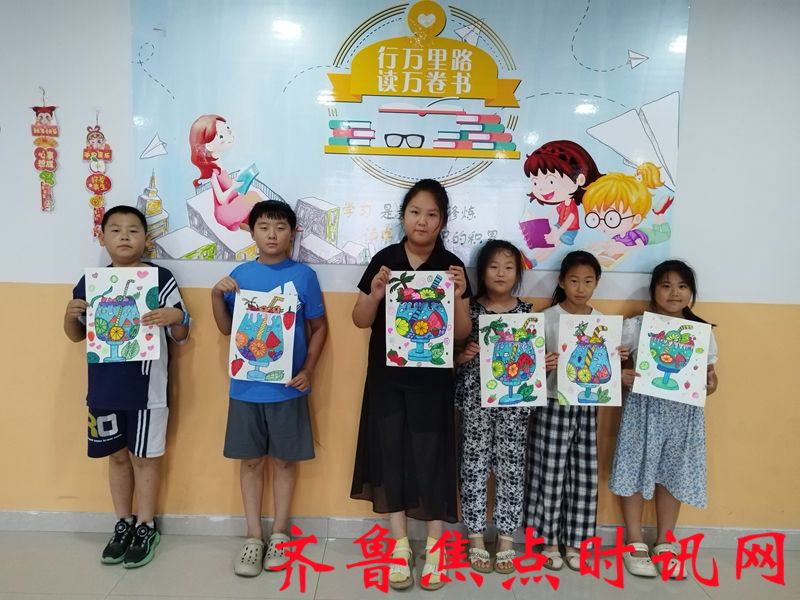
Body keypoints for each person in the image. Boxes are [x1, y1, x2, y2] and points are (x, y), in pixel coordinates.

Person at [350, 179, 471, 591]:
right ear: (403, 216)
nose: (422, 221)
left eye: (432, 214)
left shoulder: (451, 266)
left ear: (443, 221)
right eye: (415, 212)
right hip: (387, 378)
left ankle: (435, 547)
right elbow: (360, 319)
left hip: (433, 381)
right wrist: (375, 294)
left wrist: (459, 294)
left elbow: (461, 333)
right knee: (391, 454)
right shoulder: (385, 260)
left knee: (433, 458)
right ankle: (399, 545)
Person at [63, 205, 190, 568]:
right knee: (117, 456)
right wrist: (69, 315)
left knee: (144, 458)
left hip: (147, 391)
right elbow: (76, 335)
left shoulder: (160, 278)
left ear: (146, 239)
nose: (124, 236)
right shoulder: (91, 283)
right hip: (104, 389)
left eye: (133, 230)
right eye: (115, 230)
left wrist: (176, 316)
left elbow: (182, 333)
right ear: (102, 238)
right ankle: (123, 521)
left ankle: (146, 524)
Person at [211, 200, 328, 577]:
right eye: (264, 227)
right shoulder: (240, 275)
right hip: (245, 389)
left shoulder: (304, 276)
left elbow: (320, 328)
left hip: (287, 389)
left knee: (284, 461)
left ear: (292, 232)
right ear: (252, 232)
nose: (272, 235)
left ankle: (279, 532)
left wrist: (308, 369)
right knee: (249, 461)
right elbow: (227, 329)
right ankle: (252, 536)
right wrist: (216, 296)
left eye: (280, 227)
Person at [609, 260, 718, 579]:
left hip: (683, 415)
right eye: (666, 285)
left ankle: (666, 541)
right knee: (633, 468)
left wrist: (710, 382)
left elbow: (711, 382)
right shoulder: (636, 326)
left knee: (673, 474)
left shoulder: (702, 332)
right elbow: (613, 370)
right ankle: (634, 540)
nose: (674, 293)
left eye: (682, 286)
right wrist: (622, 371)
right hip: (643, 410)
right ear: (653, 290)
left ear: (691, 293)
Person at [526, 250, 628, 571]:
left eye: (587, 281)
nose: (580, 288)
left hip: (587, 404)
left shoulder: (602, 323)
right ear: (561, 282)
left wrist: (618, 357)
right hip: (553, 403)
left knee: (584, 473)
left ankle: (576, 541)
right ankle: (548, 540)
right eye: (573, 280)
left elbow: (606, 368)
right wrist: (543, 364)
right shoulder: (546, 318)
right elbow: (529, 367)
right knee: (550, 471)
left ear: (596, 283)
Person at [454, 240, 532, 575]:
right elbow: (450, 355)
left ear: (517, 273)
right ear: (482, 272)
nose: (501, 273)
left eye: (509, 267)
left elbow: (532, 363)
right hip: (475, 401)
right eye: (493, 266)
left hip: (514, 407)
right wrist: (462, 356)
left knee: (511, 468)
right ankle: (474, 536)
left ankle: (506, 539)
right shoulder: (468, 310)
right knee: (473, 465)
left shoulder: (527, 314)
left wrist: (543, 363)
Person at [520, 140, 601, 267]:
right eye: (535, 182)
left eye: (551, 181)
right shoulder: (563, 203)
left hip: (568, 231)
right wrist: (540, 218)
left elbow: (570, 220)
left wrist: (558, 233)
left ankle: (533, 262)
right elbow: (553, 213)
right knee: (546, 241)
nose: (541, 188)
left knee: (551, 246)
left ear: (579, 179)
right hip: (560, 226)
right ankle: (531, 260)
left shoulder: (571, 204)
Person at [189, 114, 260, 231]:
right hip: (225, 212)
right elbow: (221, 199)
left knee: (252, 199)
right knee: (253, 197)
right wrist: (233, 186)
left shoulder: (217, 160)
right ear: (209, 146)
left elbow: (225, 182)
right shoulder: (212, 171)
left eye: (228, 129)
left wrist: (238, 178)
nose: (230, 135)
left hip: (232, 202)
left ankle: (246, 224)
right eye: (221, 136)